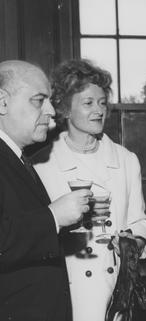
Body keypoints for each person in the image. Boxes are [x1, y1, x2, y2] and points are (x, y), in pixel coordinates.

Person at [32, 59, 146, 321]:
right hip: (66, 292)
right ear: (64, 109)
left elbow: (139, 221)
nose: (98, 110)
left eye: (102, 103)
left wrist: (132, 242)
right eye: (88, 103)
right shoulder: (42, 164)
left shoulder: (126, 160)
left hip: (115, 294)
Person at [0, 60, 92, 321]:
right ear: (2, 103)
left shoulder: (16, 157)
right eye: (38, 100)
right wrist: (53, 217)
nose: (51, 111)